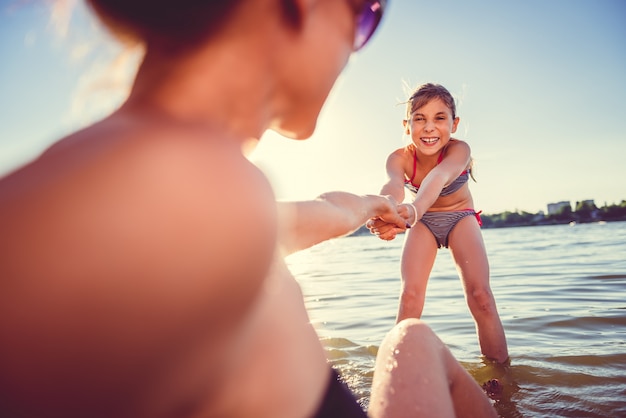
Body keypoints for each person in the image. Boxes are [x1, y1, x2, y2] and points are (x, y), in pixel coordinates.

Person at [0, 1, 497, 417]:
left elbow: (321, 212)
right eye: (366, 14)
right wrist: (402, 210)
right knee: (412, 340)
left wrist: (376, 206)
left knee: (411, 339)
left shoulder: (201, 187)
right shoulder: (197, 184)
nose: (353, 48)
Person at [367, 83, 509, 364]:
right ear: (407, 125)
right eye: (419, 119)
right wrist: (388, 210)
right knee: (410, 296)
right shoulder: (400, 158)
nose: (429, 127)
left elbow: (438, 178)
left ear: (454, 124)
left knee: (481, 296)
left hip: (460, 218)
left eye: (439, 118)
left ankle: (501, 376)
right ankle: (396, 369)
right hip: (423, 224)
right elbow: (393, 186)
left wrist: (413, 209)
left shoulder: (460, 150)